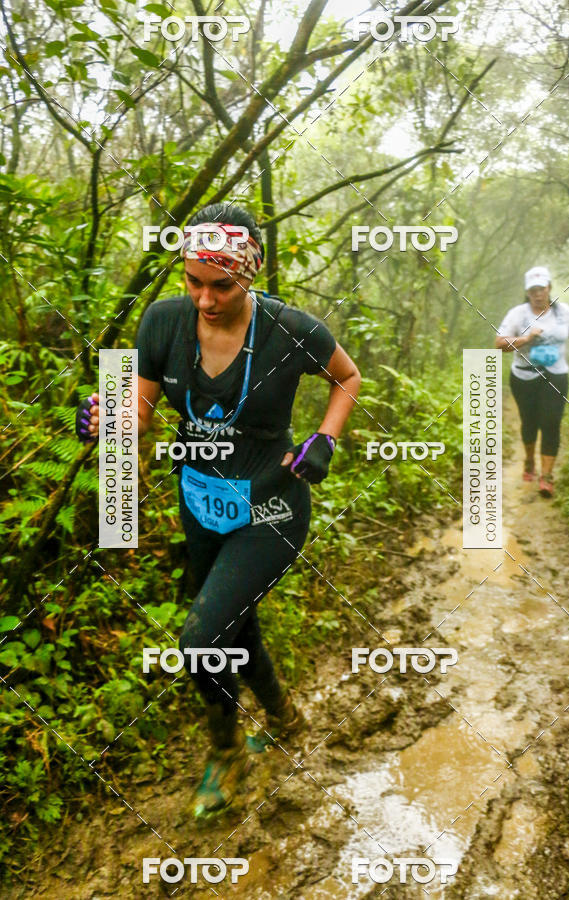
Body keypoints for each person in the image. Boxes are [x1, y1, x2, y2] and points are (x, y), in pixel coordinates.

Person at [76, 202, 361, 817]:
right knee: (234, 624)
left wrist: (325, 438)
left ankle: (228, 753)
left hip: (272, 508)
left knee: (203, 638)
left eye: (221, 286)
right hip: (200, 502)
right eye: (193, 281)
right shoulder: (162, 322)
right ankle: (286, 716)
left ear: (250, 273)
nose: (205, 299)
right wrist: (108, 421)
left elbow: (347, 377)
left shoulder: (291, 330)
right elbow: (143, 410)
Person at [495, 265, 569, 497]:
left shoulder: (563, 311)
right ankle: (528, 460)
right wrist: (526, 337)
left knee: (551, 423)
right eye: (533, 290)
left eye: (542, 288)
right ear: (527, 292)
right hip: (524, 376)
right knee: (529, 422)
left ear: (549, 288)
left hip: (556, 374)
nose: (538, 294)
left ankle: (546, 476)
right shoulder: (518, 313)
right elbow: (499, 344)